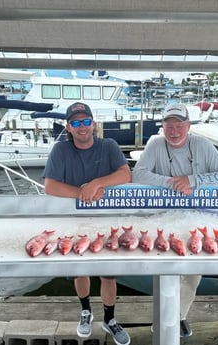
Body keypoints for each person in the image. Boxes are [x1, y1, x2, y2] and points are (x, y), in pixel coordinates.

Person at [132, 103, 218, 337]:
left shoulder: (202, 145)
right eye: (169, 126)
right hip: (163, 218)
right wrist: (173, 183)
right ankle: (162, 317)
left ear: (188, 126)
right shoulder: (155, 144)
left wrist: (192, 180)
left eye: (179, 125)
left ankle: (180, 316)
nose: (174, 131)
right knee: (164, 270)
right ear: (163, 127)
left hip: (197, 217)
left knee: (192, 273)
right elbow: (138, 173)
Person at [43, 102, 131, 345]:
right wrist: (83, 192)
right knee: (80, 269)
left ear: (93, 124)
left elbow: (126, 174)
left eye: (85, 122)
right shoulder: (60, 150)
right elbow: (50, 186)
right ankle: (85, 311)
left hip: (108, 221)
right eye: (76, 123)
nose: (82, 127)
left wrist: (96, 184)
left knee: (109, 275)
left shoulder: (109, 145)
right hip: (74, 222)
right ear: (68, 128)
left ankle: (109, 319)